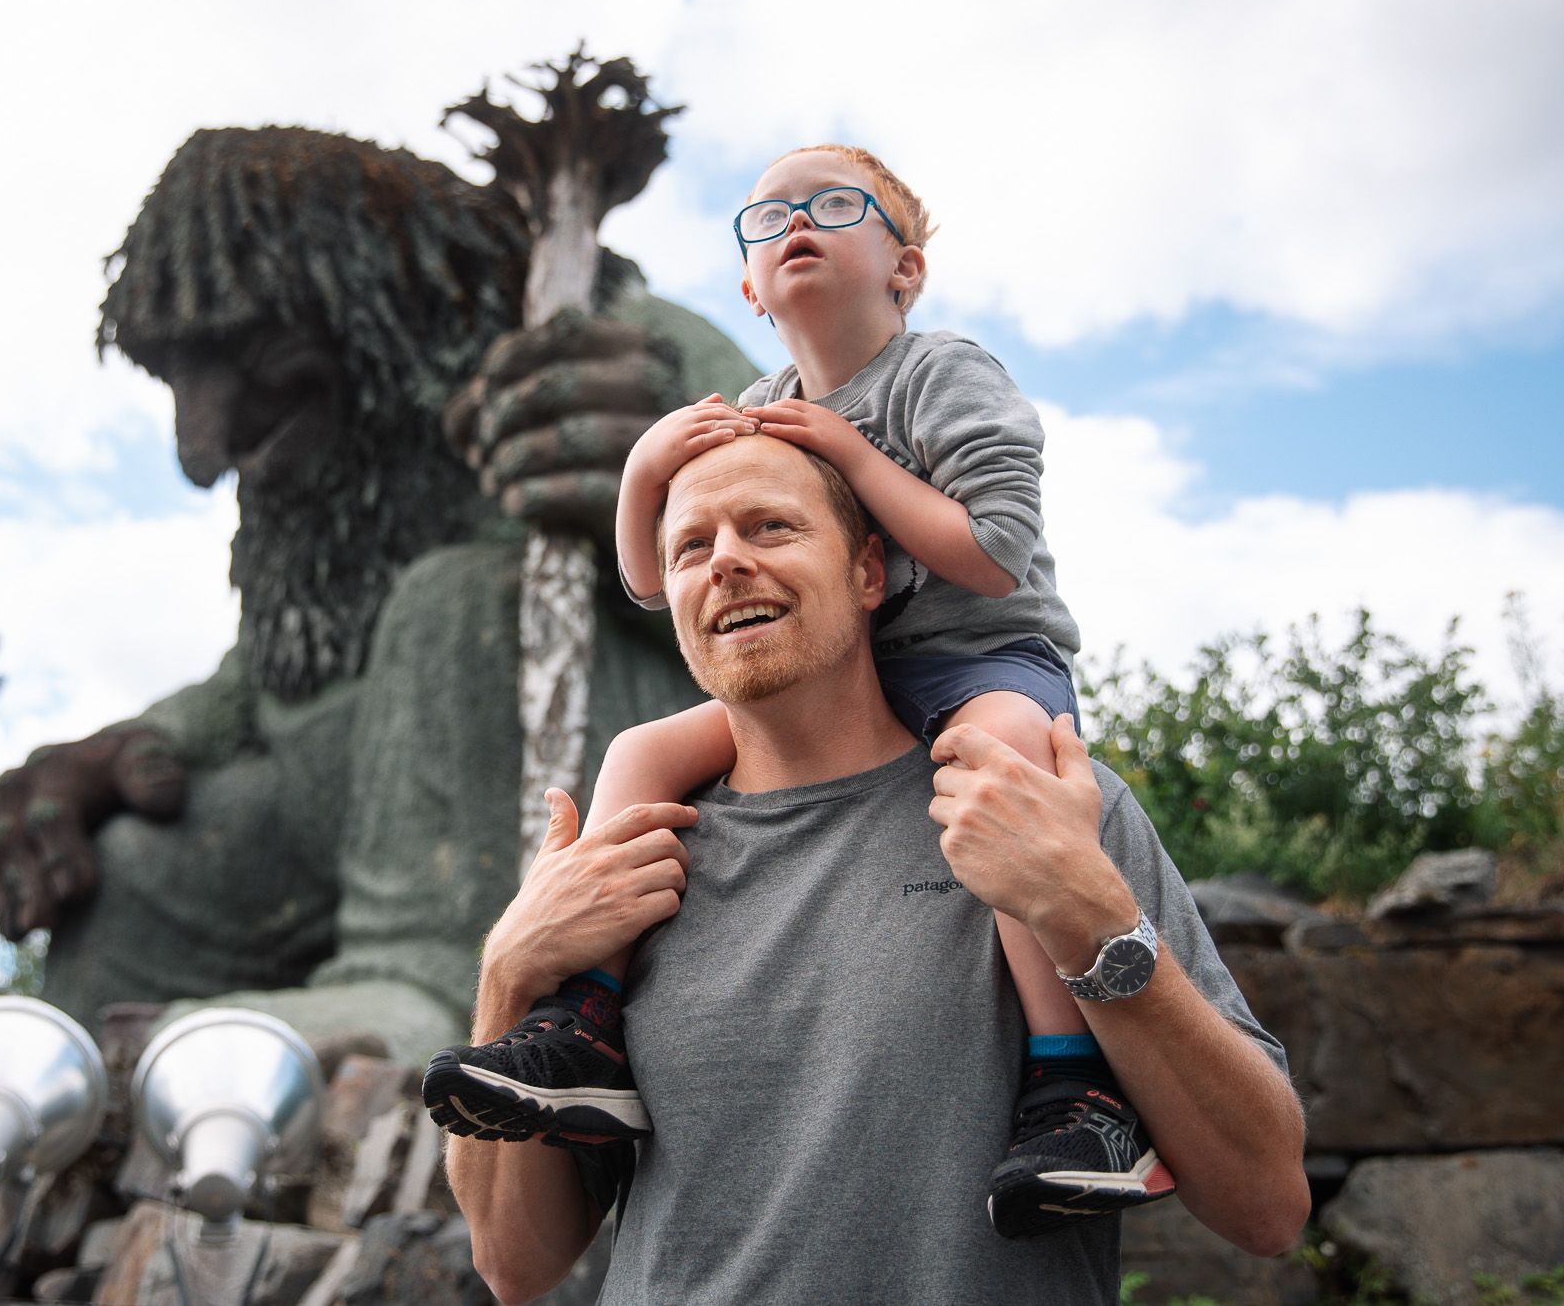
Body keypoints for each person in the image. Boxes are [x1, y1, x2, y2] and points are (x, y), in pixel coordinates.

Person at [425, 143, 1150, 1234]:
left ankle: (1070, 1085)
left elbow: (994, 552)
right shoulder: (762, 407)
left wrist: (854, 464)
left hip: (979, 658)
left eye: (831, 205)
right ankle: (586, 1021)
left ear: (901, 270)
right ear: (753, 292)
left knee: (999, 776)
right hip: (844, 674)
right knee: (636, 753)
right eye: (765, 219)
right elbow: (643, 575)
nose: (794, 220)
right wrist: (642, 473)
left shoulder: (939, 375)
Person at [444, 432, 1308, 1303]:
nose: (728, 562)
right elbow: (515, 1263)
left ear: (868, 572)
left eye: (771, 526)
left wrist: (1092, 918)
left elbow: (1266, 1205)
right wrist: (511, 970)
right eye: (690, 547)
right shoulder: (626, 857)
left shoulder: (1040, 809)